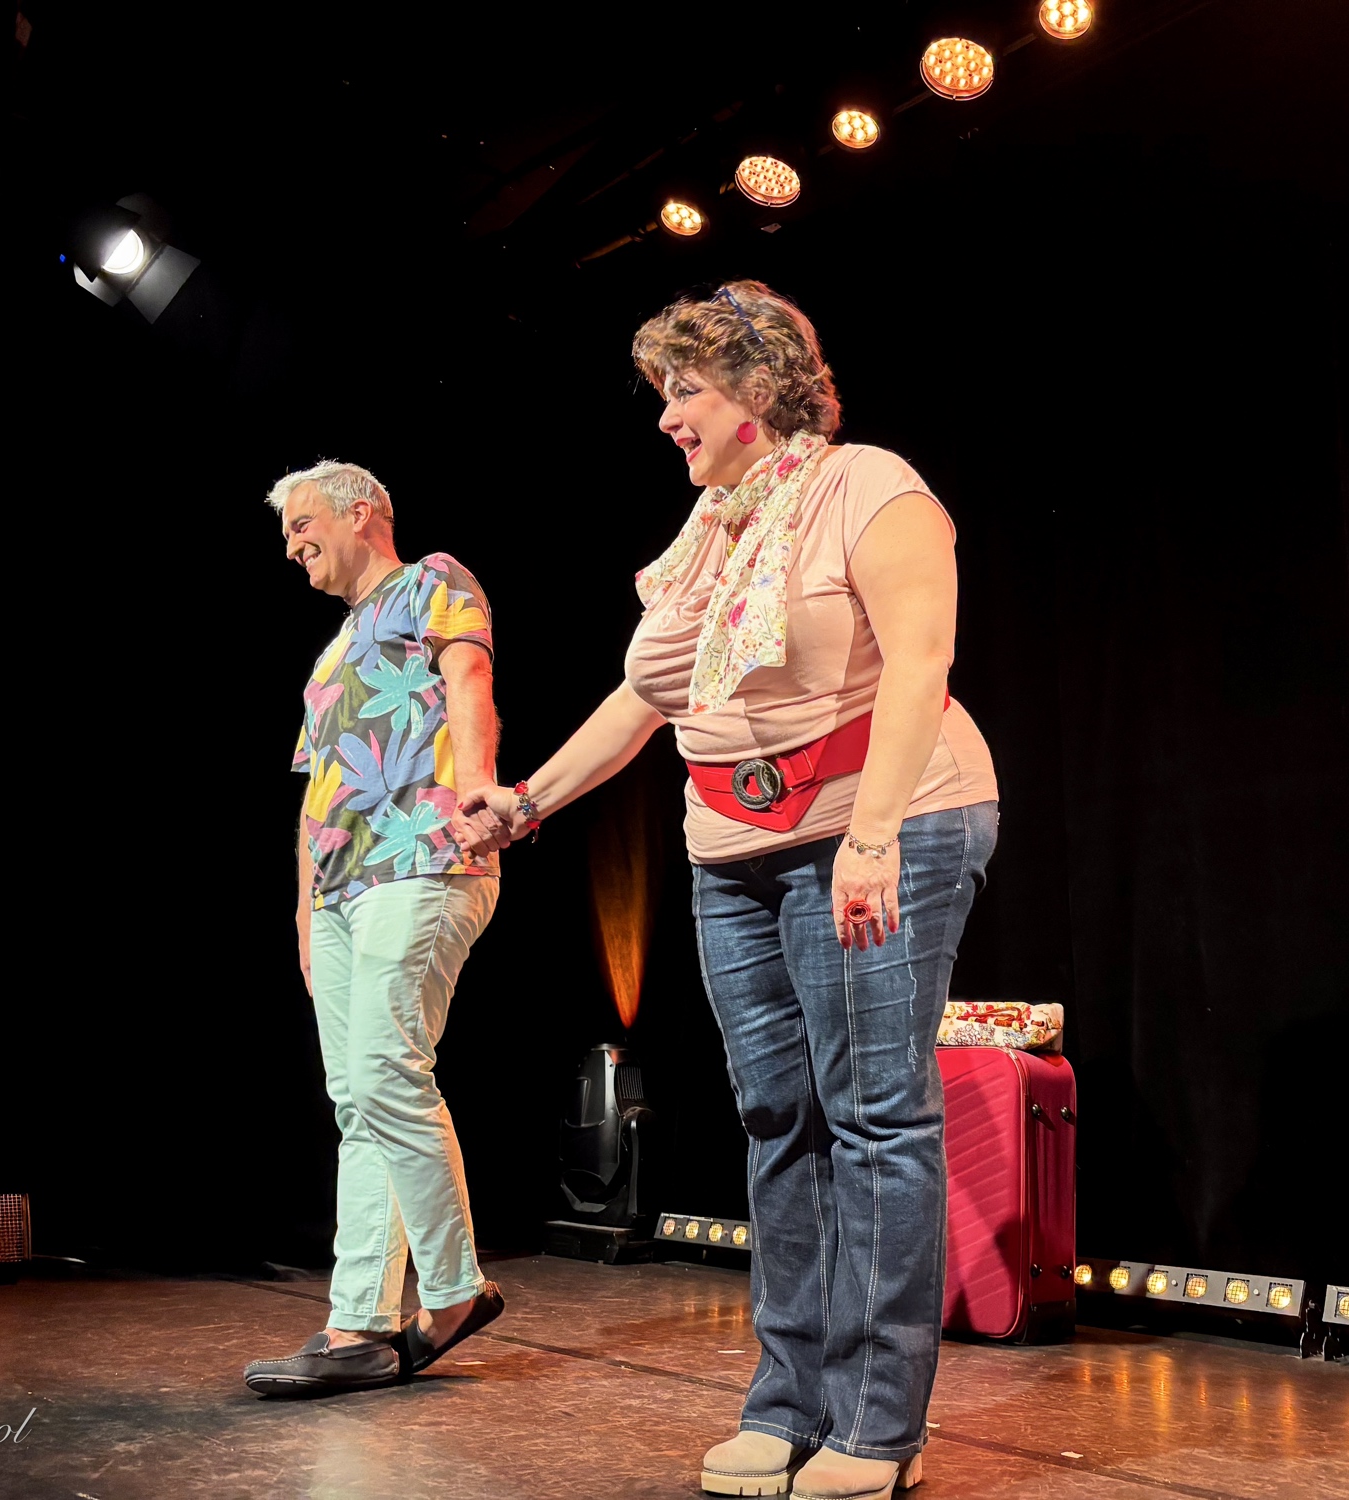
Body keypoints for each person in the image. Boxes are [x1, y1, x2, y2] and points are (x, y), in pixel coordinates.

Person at [466, 282, 998, 1500]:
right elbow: (645, 701)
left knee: (874, 1117)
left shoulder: (868, 486)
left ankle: (876, 1425)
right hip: (732, 847)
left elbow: (920, 659)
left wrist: (870, 838)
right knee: (776, 1119)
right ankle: (787, 1403)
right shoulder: (709, 531)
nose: (666, 418)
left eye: (685, 391)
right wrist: (525, 801)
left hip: (884, 820)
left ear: (759, 390)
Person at [242, 460, 512, 1397]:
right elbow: (317, 791)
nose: (292, 546)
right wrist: (304, 909)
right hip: (341, 889)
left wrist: (477, 788)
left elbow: (468, 674)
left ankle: (453, 1290)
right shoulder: (332, 654)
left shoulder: (430, 579)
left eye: (302, 524)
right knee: (357, 1100)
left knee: (389, 1074)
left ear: (359, 513)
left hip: (421, 857)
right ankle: (355, 1323)